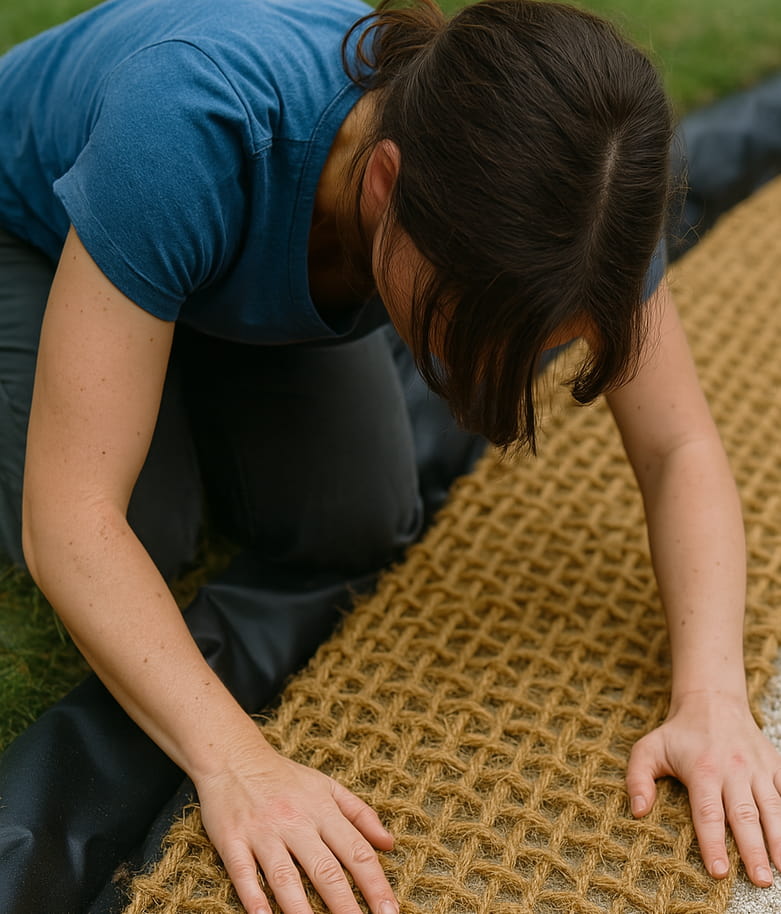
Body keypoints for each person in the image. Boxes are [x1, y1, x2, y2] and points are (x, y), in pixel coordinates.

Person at [1, 0, 779, 912]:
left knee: (356, 515)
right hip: (31, 228)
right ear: (384, 184)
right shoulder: (186, 126)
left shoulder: (583, 198)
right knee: (143, 532)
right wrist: (237, 764)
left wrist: (712, 695)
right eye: (469, 327)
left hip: (196, 237)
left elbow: (679, 444)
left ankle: (163, 324)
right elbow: (71, 521)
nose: (499, 372)